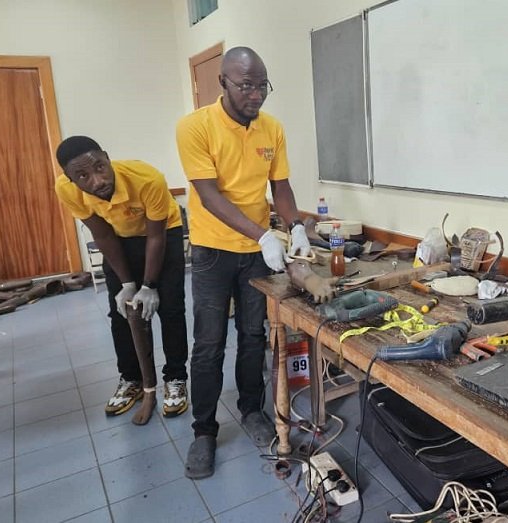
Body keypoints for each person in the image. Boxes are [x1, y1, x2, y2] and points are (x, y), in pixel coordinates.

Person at [175, 46, 311, 479]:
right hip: (214, 251)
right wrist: (262, 234)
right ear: (223, 83)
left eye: (261, 85)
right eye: (246, 85)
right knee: (210, 342)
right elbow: (209, 194)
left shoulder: (272, 129)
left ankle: (252, 410)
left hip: (258, 252)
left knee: (254, 335)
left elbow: (281, 185)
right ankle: (204, 432)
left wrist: (295, 225)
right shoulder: (194, 127)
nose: (256, 95)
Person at [54, 136, 189, 419]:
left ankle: (175, 378)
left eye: (100, 167)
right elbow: (102, 234)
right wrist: (128, 284)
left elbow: (156, 236)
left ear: (106, 156)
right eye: (83, 176)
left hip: (163, 235)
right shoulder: (66, 189)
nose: (97, 180)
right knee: (121, 313)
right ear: (70, 178)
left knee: (170, 308)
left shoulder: (147, 178)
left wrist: (149, 285)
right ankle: (132, 379)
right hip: (118, 237)